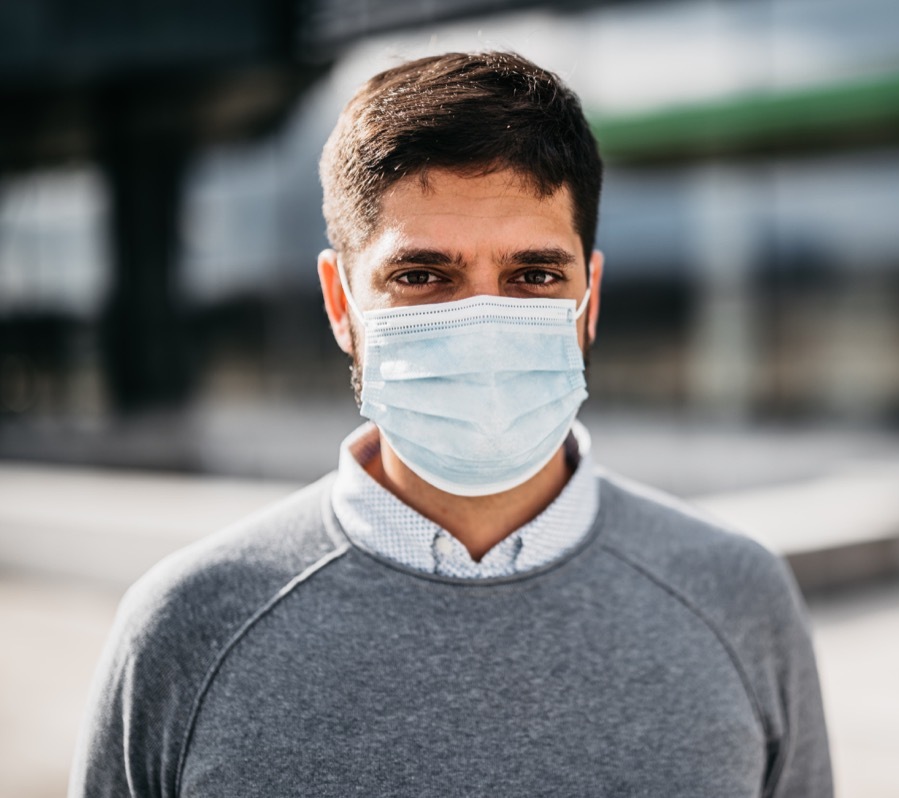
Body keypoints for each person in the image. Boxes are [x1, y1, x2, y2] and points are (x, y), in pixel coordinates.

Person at [70, 51, 832, 797]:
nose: (482, 322)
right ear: (342, 305)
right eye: (421, 276)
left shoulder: (739, 597)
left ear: (589, 299)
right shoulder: (185, 627)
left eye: (533, 276)